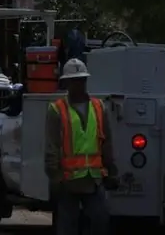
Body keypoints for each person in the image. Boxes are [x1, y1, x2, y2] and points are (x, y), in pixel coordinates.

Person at [44, 58, 119, 235]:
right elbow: (51, 146)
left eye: (82, 80)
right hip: (68, 181)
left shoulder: (99, 107)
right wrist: (55, 177)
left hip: (93, 180)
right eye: (74, 80)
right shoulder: (57, 109)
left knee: (100, 220)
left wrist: (112, 172)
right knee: (67, 227)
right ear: (67, 83)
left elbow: (106, 142)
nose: (79, 84)